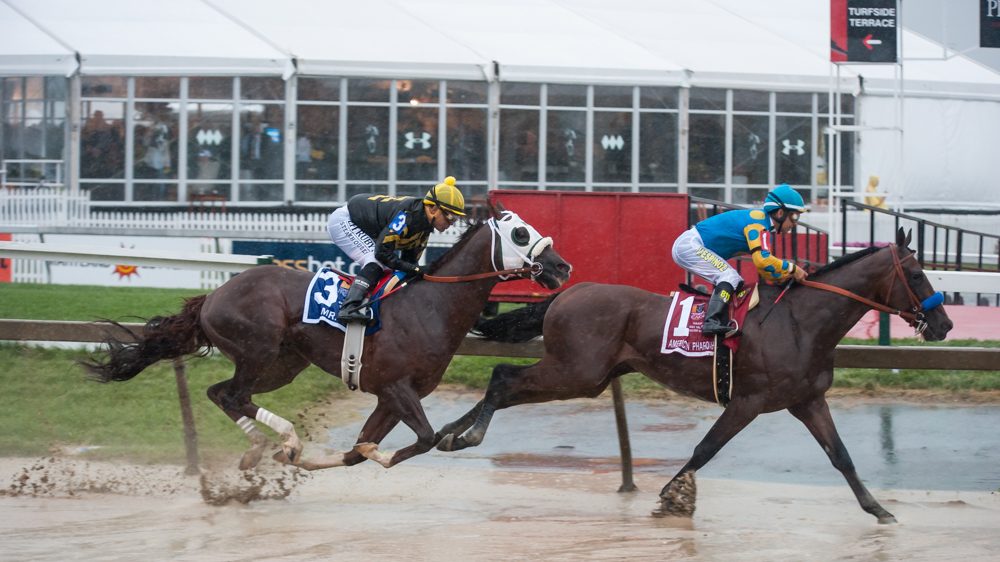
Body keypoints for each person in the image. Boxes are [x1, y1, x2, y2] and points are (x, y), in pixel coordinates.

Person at [671, 183, 809, 336]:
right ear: (780, 212)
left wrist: (784, 277)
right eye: (795, 216)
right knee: (729, 277)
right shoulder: (758, 225)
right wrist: (793, 269)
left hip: (692, 245)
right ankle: (711, 321)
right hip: (690, 245)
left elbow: (766, 270)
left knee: (735, 281)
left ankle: (718, 315)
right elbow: (763, 261)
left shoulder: (763, 224)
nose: (795, 223)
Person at [327, 176, 466, 323]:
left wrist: (417, 271)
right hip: (345, 220)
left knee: (392, 270)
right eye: (450, 216)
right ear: (433, 209)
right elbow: (382, 253)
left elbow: (409, 265)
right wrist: (416, 269)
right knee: (375, 261)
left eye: (455, 219)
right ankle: (349, 307)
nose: (451, 223)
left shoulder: (424, 227)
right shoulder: (407, 216)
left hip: (366, 224)